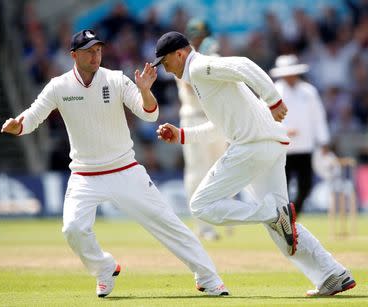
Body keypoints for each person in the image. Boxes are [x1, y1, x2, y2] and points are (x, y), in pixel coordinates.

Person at [1, 29, 229, 298]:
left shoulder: (116, 79)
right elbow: (33, 115)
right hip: (85, 174)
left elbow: (149, 114)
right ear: (74, 55)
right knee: (73, 229)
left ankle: (208, 278)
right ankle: (104, 268)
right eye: (88, 51)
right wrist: (18, 125)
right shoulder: (58, 86)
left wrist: (145, 91)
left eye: (98, 50)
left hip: (125, 170)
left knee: (169, 224)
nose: (95, 55)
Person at [152, 31, 356, 296]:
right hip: (266, 145)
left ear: (180, 54)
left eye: (165, 62)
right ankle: (332, 273)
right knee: (283, 229)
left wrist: (274, 99)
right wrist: (182, 135)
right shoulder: (200, 78)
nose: (165, 69)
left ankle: (272, 213)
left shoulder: (200, 66)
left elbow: (244, 65)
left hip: (252, 146)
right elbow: (222, 125)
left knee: (201, 205)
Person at [176, 18, 228, 241]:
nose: (199, 41)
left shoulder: (211, 58)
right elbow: (190, 87)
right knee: (197, 171)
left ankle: (219, 215)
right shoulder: (182, 60)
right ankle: (202, 226)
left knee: (220, 169)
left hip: (215, 119)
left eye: (202, 36)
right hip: (193, 118)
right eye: (195, 37)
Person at [269, 54, 331, 214]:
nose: (290, 76)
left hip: (305, 146)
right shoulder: (273, 91)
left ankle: (293, 216)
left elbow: (318, 117)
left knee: (306, 186)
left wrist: (323, 141)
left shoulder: (308, 91)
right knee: (283, 187)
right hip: (283, 147)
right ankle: (283, 216)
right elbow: (266, 119)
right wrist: (282, 130)